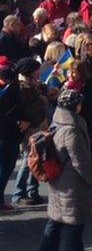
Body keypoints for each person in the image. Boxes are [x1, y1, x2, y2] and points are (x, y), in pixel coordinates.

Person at [39, 89, 92, 251]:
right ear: (76, 106)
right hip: (72, 184)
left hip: (58, 181)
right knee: (74, 229)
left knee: (55, 223)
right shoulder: (72, 130)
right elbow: (80, 161)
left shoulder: (57, 122)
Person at [11, 58, 48, 206]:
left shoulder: (33, 84)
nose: (39, 72)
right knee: (29, 161)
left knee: (37, 160)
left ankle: (33, 190)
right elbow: (30, 109)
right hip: (31, 129)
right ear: (29, 71)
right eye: (37, 69)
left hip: (38, 127)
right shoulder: (23, 87)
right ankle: (19, 193)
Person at [0, 57, 23, 213]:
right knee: (4, 166)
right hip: (4, 133)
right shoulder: (7, 89)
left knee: (7, 166)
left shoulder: (13, 87)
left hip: (10, 132)